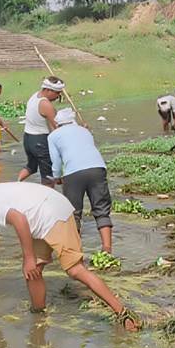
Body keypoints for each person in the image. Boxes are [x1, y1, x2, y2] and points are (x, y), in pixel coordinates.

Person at [0, 182, 141, 331]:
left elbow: (18, 219)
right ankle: (39, 315)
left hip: (52, 214)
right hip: (41, 215)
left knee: (75, 269)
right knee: (33, 271)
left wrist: (28, 258)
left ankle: (123, 313)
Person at [48, 109, 113, 254]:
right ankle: (107, 249)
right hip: (98, 168)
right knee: (102, 210)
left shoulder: (53, 136)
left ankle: (75, 252)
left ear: (57, 124)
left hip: (73, 172)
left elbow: (56, 163)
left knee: (73, 213)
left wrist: (57, 177)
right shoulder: (85, 131)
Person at [17, 77, 65, 186]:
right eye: (57, 93)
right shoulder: (45, 104)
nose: (58, 97)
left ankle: (17, 182)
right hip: (40, 141)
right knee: (48, 175)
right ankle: (47, 198)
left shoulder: (35, 96)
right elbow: (57, 127)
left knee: (31, 167)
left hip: (28, 138)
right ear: (48, 90)